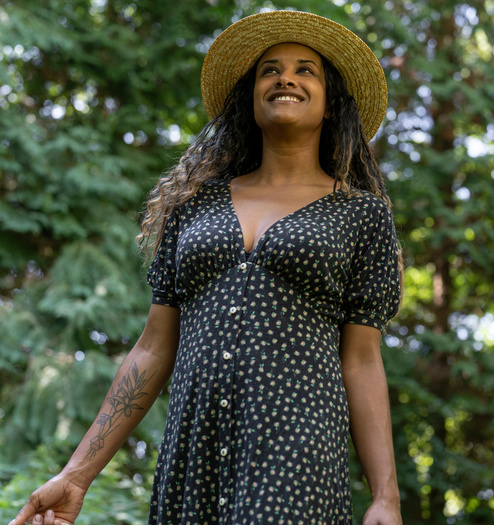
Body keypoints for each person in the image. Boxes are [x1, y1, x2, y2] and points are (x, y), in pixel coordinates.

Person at [9, 10, 402, 525]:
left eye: (306, 70)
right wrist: (77, 474)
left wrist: (385, 497)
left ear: (332, 106)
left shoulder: (361, 214)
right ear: (250, 99)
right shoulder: (194, 206)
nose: (286, 77)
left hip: (299, 453)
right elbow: (153, 346)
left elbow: (363, 361)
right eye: (270, 70)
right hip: (192, 453)